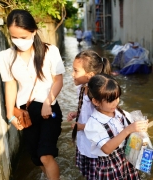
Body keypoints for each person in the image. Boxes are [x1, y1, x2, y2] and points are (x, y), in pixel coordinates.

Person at [0, 9, 65, 180]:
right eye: (14, 37)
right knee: (35, 157)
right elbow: (10, 84)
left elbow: (58, 80)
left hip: (49, 110)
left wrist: (48, 103)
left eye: (23, 37)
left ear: (34, 31)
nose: (19, 41)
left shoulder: (50, 51)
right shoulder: (5, 57)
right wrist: (10, 114)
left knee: (45, 154)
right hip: (26, 112)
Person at [84, 74, 148, 180]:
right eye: (110, 100)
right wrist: (128, 130)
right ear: (96, 101)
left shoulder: (119, 113)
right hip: (110, 166)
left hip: (127, 159)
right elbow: (107, 149)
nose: (116, 103)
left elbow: (133, 130)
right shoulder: (94, 124)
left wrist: (140, 127)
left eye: (117, 98)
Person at [67, 50, 111, 179]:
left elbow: (106, 122)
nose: (72, 74)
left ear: (90, 75)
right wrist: (77, 113)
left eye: (76, 71)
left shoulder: (98, 95)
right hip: (84, 143)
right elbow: (88, 110)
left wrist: (81, 127)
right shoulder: (81, 88)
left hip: (95, 147)